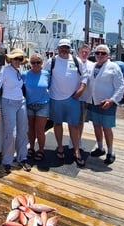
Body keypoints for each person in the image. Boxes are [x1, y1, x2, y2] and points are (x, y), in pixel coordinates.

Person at [0, 48, 31, 173]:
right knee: (11, 134)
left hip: (21, 103)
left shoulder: (18, 71)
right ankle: (7, 161)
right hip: (8, 103)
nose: (18, 61)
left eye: (20, 59)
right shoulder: (5, 70)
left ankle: (22, 157)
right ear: (11, 59)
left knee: (23, 132)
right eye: (15, 58)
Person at [43, 38, 87, 167]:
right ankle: (60, 147)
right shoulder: (52, 61)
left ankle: (76, 150)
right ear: (58, 48)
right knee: (57, 124)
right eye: (62, 47)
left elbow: (84, 77)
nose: (64, 49)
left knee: (74, 126)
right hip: (55, 99)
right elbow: (44, 76)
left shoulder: (76, 60)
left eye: (66, 47)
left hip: (73, 99)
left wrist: (81, 89)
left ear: (70, 49)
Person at [87, 44, 124, 165]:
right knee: (96, 126)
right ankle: (100, 148)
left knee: (107, 128)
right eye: (97, 53)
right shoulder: (92, 66)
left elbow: (121, 86)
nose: (99, 55)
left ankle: (110, 152)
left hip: (107, 103)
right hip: (94, 101)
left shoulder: (114, 67)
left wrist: (112, 100)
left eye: (103, 53)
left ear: (108, 55)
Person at [21, 53, 51, 161]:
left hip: (43, 105)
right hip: (29, 105)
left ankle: (41, 150)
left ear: (42, 63)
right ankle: (31, 148)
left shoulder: (46, 74)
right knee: (30, 129)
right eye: (33, 62)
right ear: (30, 63)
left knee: (40, 130)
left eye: (38, 62)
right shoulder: (24, 74)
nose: (36, 64)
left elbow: (51, 87)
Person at [68, 43, 95, 151]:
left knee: (81, 121)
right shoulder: (72, 63)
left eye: (86, 52)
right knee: (72, 121)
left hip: (84, 98)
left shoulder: (92, 65)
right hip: (72, 97)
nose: (84, 54)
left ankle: (78, 140)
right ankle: (72, 141)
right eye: (82, 51)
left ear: (89, 53)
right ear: (78, 52)